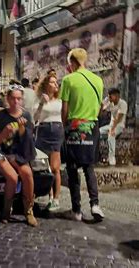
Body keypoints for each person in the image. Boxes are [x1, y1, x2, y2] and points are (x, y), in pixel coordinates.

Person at [60, 48, 104, 221]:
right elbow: (100, 107)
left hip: (74, 126)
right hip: (92, 126)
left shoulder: (68, 80)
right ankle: (95, 204)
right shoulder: (98, 80)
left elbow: (65, 109)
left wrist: (65, 127)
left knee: (72, 168)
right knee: (89, 167)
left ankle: (76, 210)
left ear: (72, 62)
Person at [0, 85, 38, 227]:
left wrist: (22, 130)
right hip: (0, 153)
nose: (16, 102)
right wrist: (5, 132)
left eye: (19, 99)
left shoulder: (26, 116)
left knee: (27, 174)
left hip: (18, 153)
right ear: (8, 99)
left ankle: (28, 211)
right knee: (12, 177)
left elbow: (28, 142)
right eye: (13, 98)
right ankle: (6, 210)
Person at [33, 74, 63, 211]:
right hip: (43, 129)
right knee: (46, 167)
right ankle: (50, 196)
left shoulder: (60, 100)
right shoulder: (39, 100)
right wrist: (41, 104)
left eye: (56, 82)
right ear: (46, 84)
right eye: (52, 82)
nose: (55, 84)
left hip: (56, 130)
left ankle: (56, 198)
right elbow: (35, 118)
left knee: (55, 166)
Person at [100, 88, 127, 166]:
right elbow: (101, 114)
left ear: (116, 96)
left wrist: (112, 129)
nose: (109, 98)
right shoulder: (110, 103)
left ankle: (112, 157)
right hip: (110, 126)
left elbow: (119, 118)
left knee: (111, 136)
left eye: (110, 97)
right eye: (108, 97)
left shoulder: (123, 104)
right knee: (98, 133)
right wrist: (102, 104)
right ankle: (96, 156)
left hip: (119, 125)